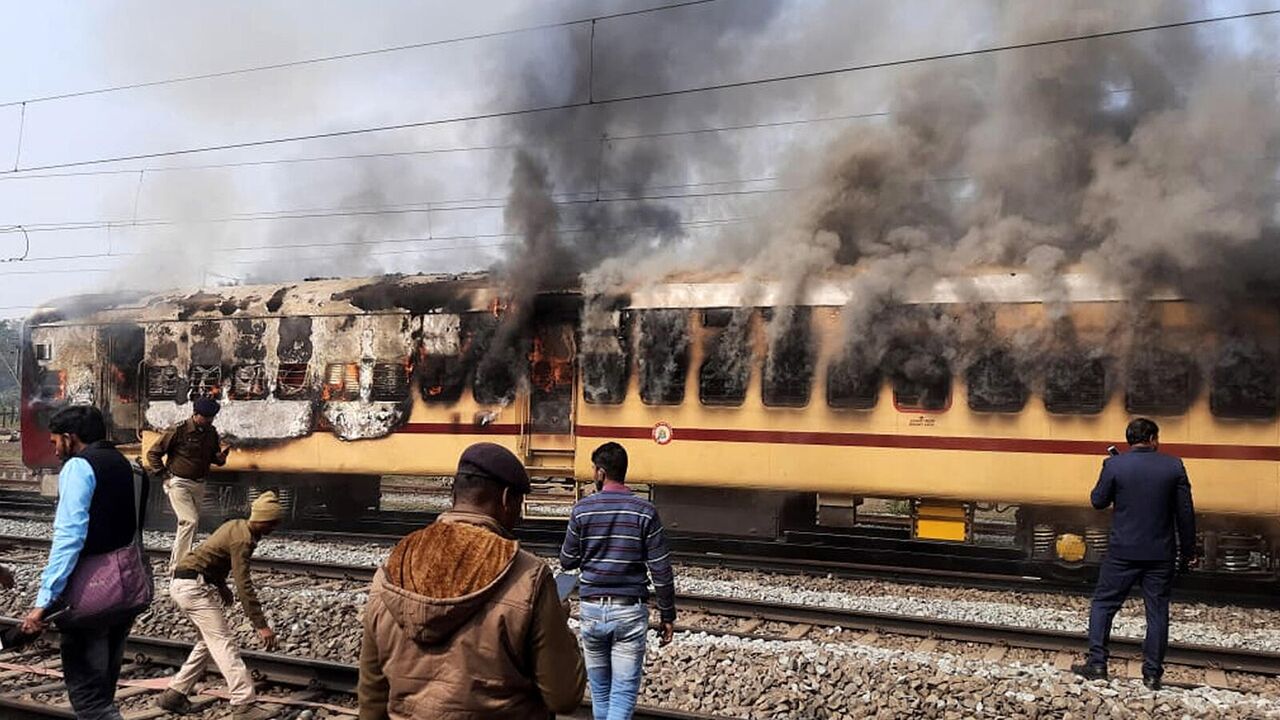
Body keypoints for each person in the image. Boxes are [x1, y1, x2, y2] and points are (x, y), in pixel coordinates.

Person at [357, 442, 586, 719]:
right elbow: (564, 697)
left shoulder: (393, 568)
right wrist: (559, 625)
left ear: (454, 494)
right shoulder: (530, 576)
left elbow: (372, 694)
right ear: (505, 499)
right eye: (518, 504)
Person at [21, 405, 147, 720]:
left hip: (91, 597)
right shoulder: (126, 465)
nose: (55, 449)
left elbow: (69, 538)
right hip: (125, 587)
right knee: (103, 691)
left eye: (55, 442)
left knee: (91, 703)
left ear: (70, 437)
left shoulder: (79, 468)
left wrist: (44, 602)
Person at [1072, 418, 1196, 690]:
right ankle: (1152, 675)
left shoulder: (1115, 464)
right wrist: (1189, 551)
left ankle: (1097, 664)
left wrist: (1113, 479)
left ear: (1130, 440)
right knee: (1157, 612)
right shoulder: (1173, 466)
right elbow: (1185, 514)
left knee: (1104, 605)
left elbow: (1098, 501)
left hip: (1122, 552)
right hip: (1160, 554)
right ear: (1152, 438)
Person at [560, 442, 677, 720]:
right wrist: (667, 614)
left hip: (591, 609)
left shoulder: (582, 510)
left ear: (601, 472)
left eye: (593, 470)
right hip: (628, 611)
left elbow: (567, 561)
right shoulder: (645, 511)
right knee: (622, 694)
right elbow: (661, 568)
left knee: (600, 692)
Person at [156, 491, 283, 720]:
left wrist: (222, 586)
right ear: (263, 520)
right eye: (273, 523)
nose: (274, 528)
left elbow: (212, 556)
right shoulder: (243, 539)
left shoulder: (237, 525)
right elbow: (244, 584)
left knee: (208, 642)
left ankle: (174, 694)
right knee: (224, 643)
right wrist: (260, 624)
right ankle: (244, 704)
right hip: (192, 588)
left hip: (185, 583)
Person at [145, 396, 230, 574]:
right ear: (196, 414)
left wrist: (221, 458)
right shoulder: (178, 430)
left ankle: (182, 562)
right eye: (206, 417)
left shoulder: (211, 433)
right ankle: (180, 568)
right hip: (179, 482)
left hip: (198, 484)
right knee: (189, 521)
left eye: (212, 417)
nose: (209, 420)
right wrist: (164, 476)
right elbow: (153, 453)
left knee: (190, 525)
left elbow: (213, 458)